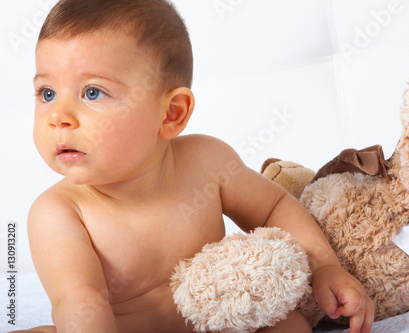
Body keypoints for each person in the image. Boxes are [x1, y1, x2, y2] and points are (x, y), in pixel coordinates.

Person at [14, 0, 374, 332]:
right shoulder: (59, 212)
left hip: (216, 325)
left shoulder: (207, 162)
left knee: (293, 326)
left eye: (92, 92)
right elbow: (81, 304)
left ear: (171, 113)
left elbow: (274, 207)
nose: (57, 117)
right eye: (47, 93)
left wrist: (326, 267)